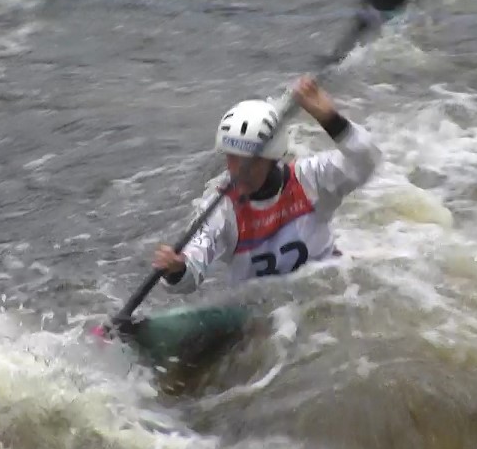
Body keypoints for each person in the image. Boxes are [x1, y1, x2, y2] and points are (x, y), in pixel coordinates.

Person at [153, 75, 383, 293]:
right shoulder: (220, 208)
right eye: (231, 157)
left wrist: (331, 120)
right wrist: (177, 269)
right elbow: (192, 267)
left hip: (328, 290)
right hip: (267, 309)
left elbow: (366, 161)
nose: (238, 170)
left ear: (272, 158)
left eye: (249, 162)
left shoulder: (310, 178)